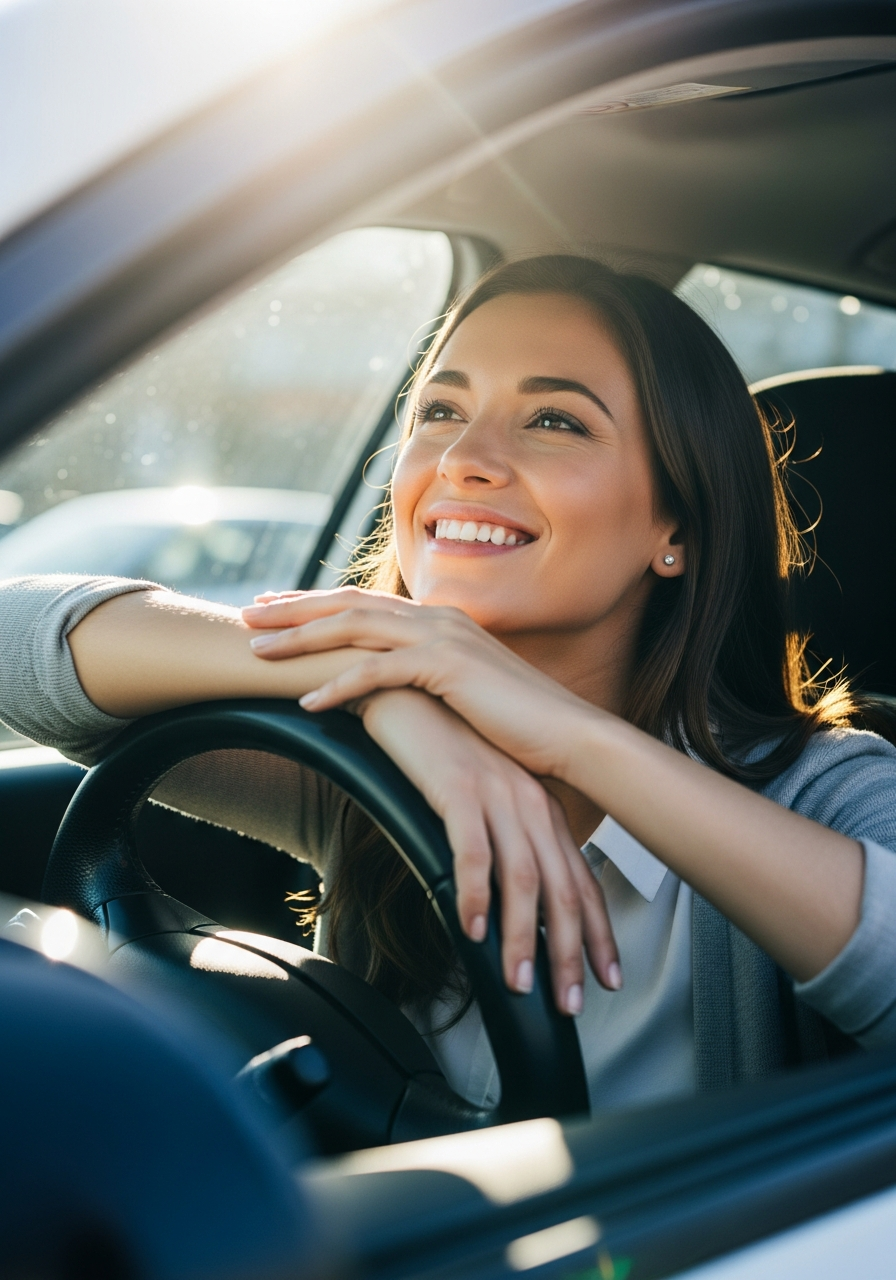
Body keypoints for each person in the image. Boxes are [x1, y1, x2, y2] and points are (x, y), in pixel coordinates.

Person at [2, 256, 895, 1112]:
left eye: (556, 421)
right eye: (439, 410)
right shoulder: (367, 763)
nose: (463, 456)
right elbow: (16, 647)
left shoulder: (820, 788)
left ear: (678, 526)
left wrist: (575, 740)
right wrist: (381, 682)